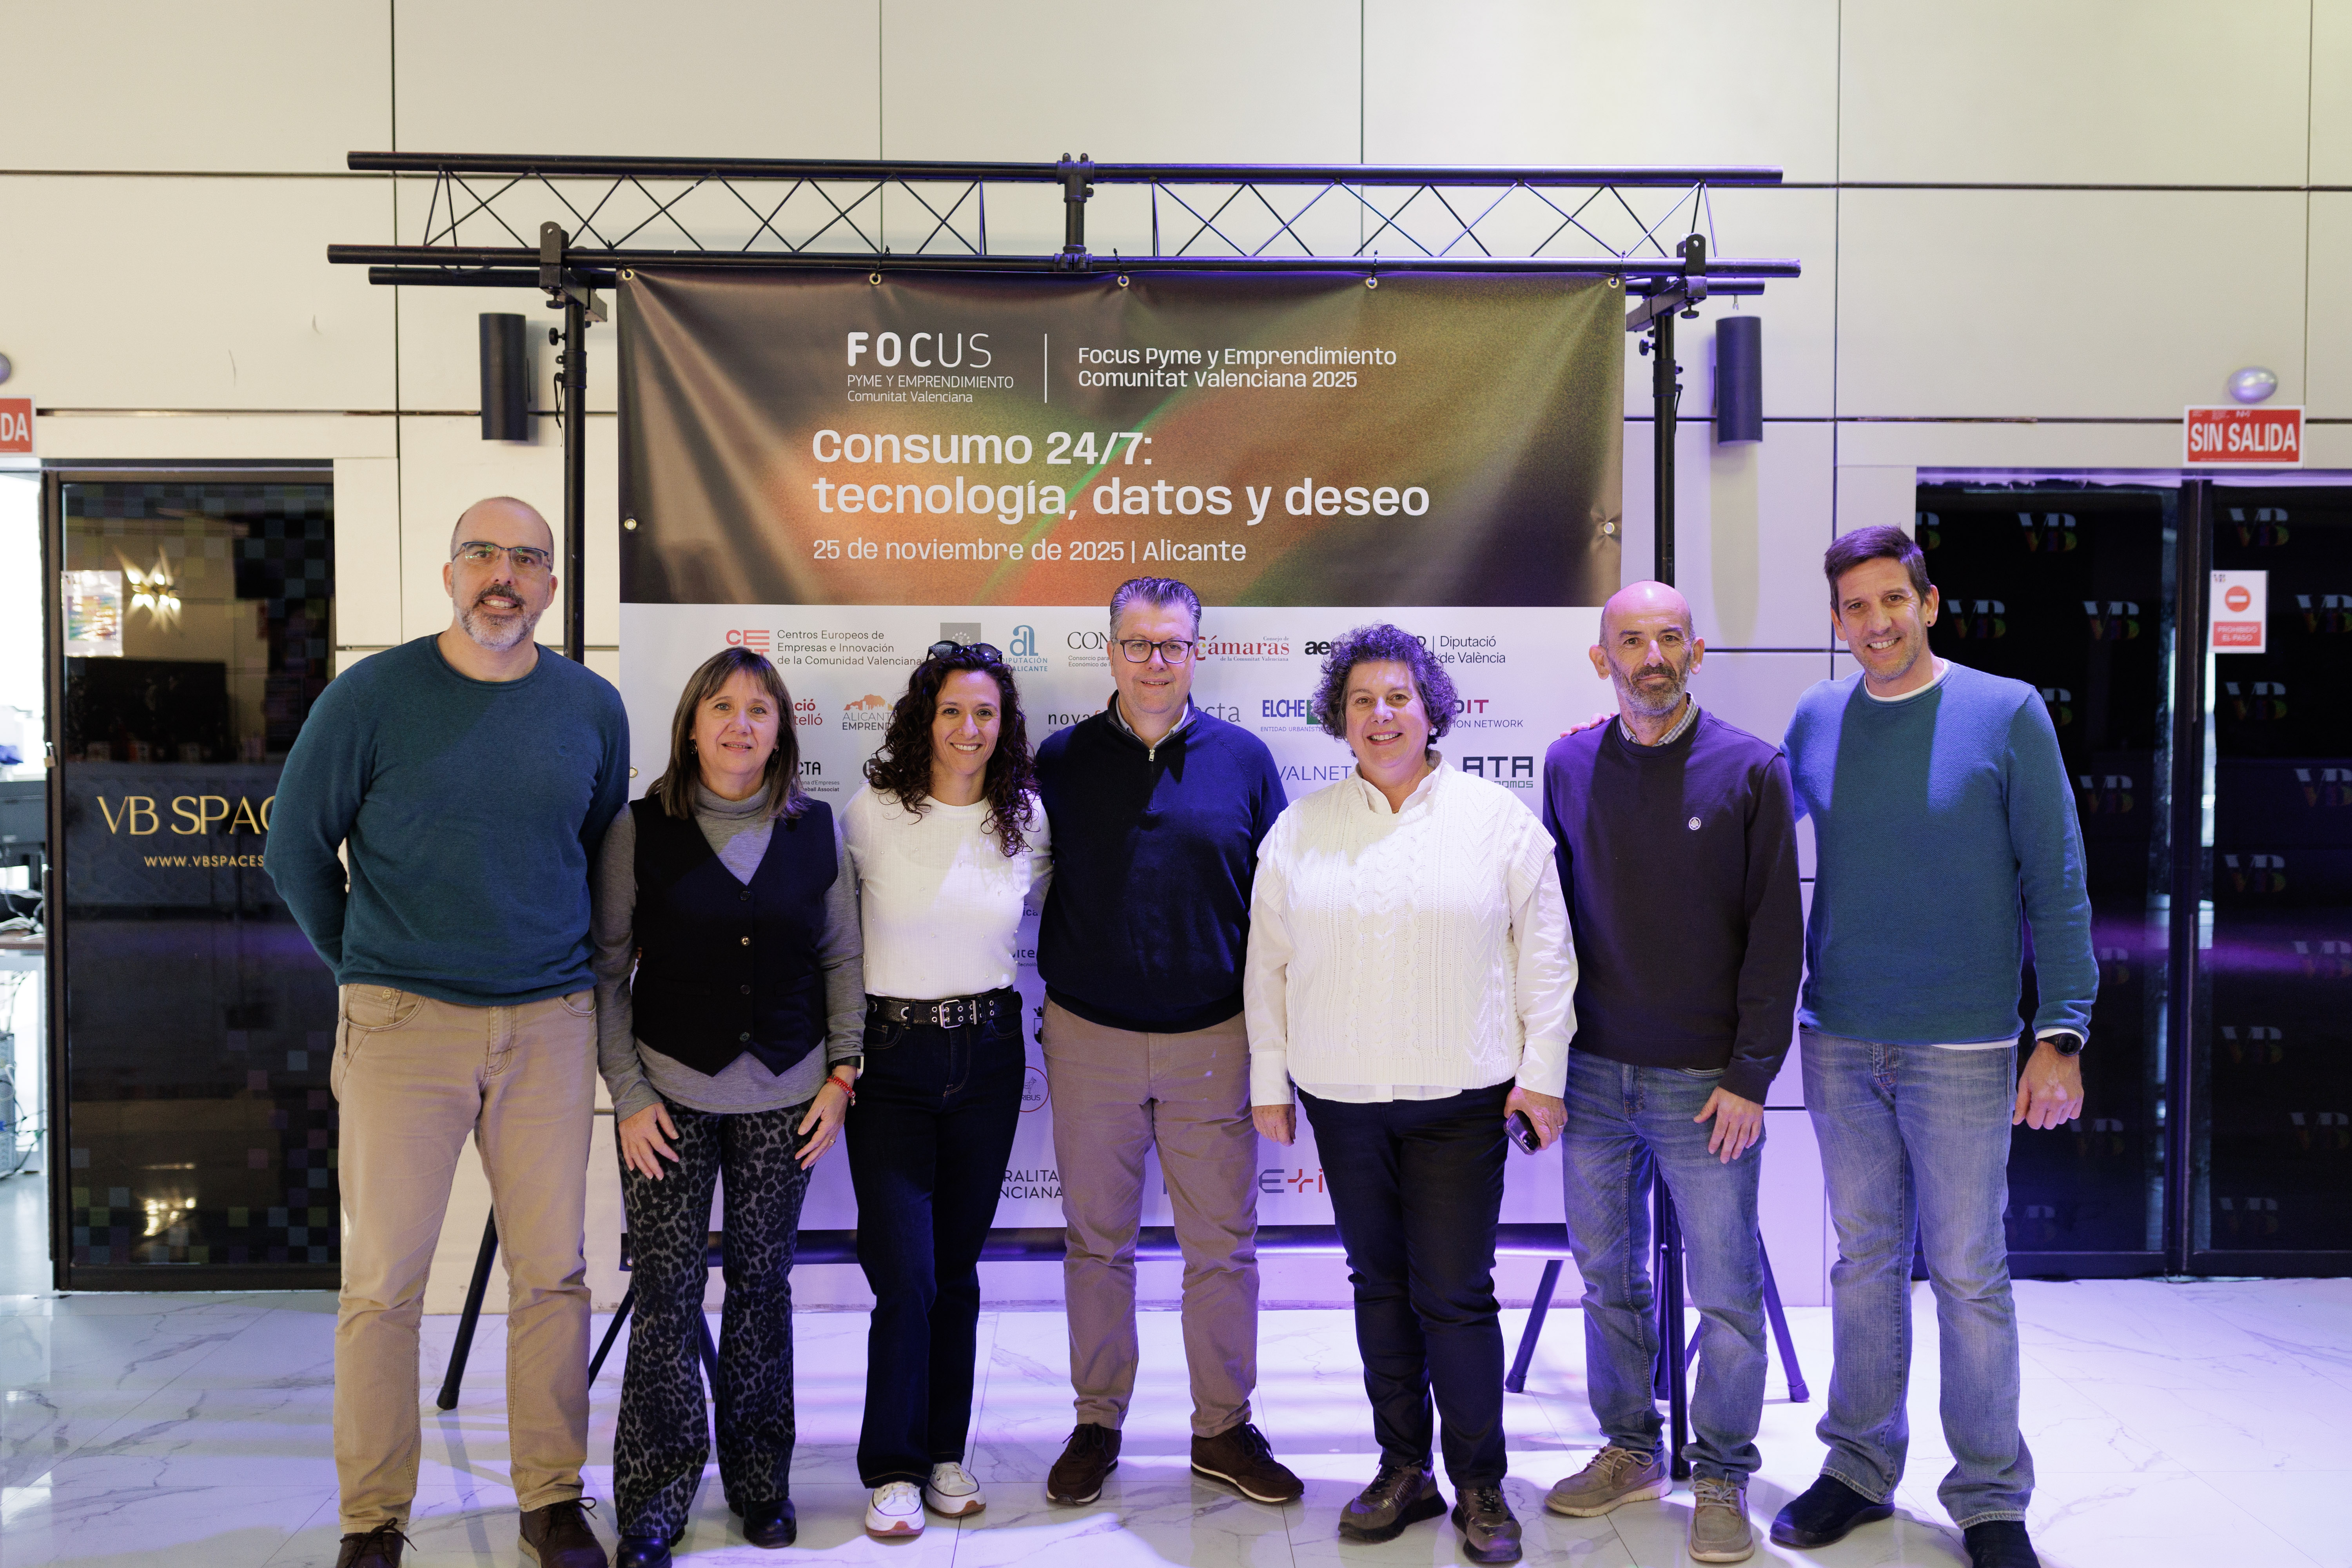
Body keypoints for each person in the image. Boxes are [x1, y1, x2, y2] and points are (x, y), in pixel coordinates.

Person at [266, 497, 628, 1568]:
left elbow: (597, 851)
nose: (502, 575)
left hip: (550, 1022)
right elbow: (295, 848)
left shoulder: (591, 706)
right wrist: (365, 967)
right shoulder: (372, 697)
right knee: (384, 1283)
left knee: (552, 1274)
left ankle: (551, 1501)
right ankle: (373, 1520)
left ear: (551, 584)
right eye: (482, 553)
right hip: (403, 1026)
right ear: (449, 573)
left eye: (527, 558)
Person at [1772, 526, 2093, 1568]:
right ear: (1837, 620)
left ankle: (1991, 1497)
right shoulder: (1817, 717)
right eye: (1855, 607)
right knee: (1864, 1263)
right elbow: (1739, 819)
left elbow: (2058, 876)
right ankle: (1859, 1468)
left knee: (1967, 1271)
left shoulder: (2007, 711)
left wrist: (2063, 1030)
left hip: (1963, 1043)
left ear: (1930, 602)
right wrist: (1633, 735)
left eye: (1892, 601)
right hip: (1840, 1035)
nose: (1876, 622)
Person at [1247, 622, 1575, 1566]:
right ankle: (1404, 1467)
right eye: (1362, 700)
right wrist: (1270, 1079)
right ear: (1339, 717)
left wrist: (1542, 1076)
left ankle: (1480, 1482)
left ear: (1431, 709)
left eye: (1399, 696)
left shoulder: (1498, 820)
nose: (1381, 714)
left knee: (1457, 1293)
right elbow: (1267, 967)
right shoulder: (1300, 828)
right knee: (1379, 1286)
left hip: (1461, 1097)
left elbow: (1546, 957)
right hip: (1343, 1099)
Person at [1537, 581, 1803, 1566]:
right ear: (1601, 657)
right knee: (1609, 1277)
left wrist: (1750, 1074)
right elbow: (1550, 922)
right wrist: (1542, 1061)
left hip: (1706, 1085)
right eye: (1632, 639)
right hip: (1593, 1074)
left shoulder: (1752, 767)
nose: (1652, 655)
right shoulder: (1568, 763)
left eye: (1670, 638)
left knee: (1727, 1290)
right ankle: (1631, 1447)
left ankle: (1722, 1470)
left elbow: (1777, 933)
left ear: (1696, 652)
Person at [1031, 576, 1302, 1508]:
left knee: (1221, 1248)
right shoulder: (1060, 760)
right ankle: (1097, 1420)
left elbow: (1280, 912)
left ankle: (1222, 1427)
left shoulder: (1246, 760)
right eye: (1138, 643)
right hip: (1089, 1037)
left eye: (1173, 644)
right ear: (1110, 650)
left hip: (1213, 1040)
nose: (1156, 661)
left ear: (1198, 652)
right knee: (1096, 1243)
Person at [590, 647, 862, 1567]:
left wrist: (842, 1075)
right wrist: (629, 1094)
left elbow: (841, 958)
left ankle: (761, 1482)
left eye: (759, 708)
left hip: (788, 1100)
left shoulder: (817, 831)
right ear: (691, 725)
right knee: (666, 1298)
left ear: (781, 729)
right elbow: (607, 971)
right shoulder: (638, 830)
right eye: (721, 707)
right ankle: (654, 1500)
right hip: (667, 1100)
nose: (740, 724)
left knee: (762, 1290)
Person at [841, 642, 1051, 1538]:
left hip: (990, 1055)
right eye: (953, 711)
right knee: (908, 1273)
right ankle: (892, 1464)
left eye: (986, 713)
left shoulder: (1026, 816)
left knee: (956, 1269)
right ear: (924, 719)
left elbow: (1053, 914)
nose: (970, 728)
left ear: (1005, 725)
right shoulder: (873, 812)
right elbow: (832, 941)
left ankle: (942, 1452)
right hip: (890, 1058)